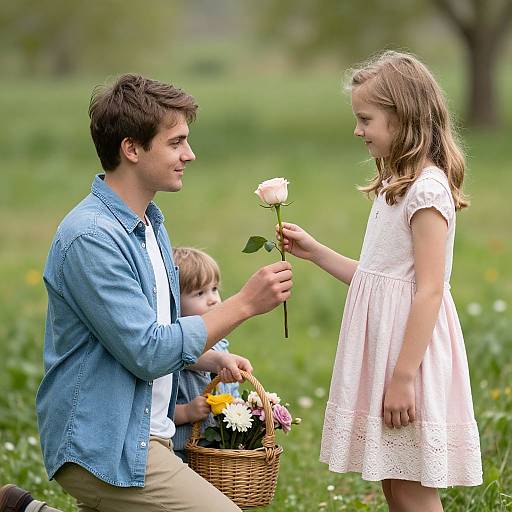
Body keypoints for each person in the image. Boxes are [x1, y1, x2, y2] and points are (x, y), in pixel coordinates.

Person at [35, 74, 293, 512]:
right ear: (132, 149)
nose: (189, 155)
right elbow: (147, 351)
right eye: (176, 143)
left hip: (149, 432)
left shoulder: (148, 224)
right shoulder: (91, 238)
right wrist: (244, 304)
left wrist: (209, 356)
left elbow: (154, 330)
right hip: (106, 445)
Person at [277, 51, 482, 511]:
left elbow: (429, 290)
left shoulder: (427, 192)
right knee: (394, 481)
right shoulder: (398, 185)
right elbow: (380, 281)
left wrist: (404, 377)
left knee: (410, 484)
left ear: (403, 117)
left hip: (410, 358)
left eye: (365, 118)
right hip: (389, 352)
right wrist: (317, 253)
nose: (358, 130)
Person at [171, 247, 241, 462]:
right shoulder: (171, 350)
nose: (212, 300)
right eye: (200, 293)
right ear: (174, 303)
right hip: (181, 452)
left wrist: (238, 407)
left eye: (214, 289)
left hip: (217, 451)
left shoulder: (221, 345)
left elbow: (230, 389)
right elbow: (153, 410)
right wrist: (186, 412)